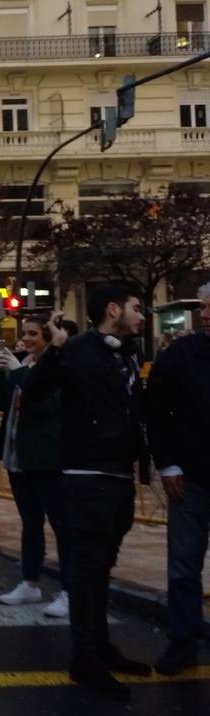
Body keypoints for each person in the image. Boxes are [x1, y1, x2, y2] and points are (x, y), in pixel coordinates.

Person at [21, 285, 151, 701]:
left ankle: (102, 647)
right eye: (136, 308)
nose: (142, 315)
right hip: (87, 475)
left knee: (102, 567)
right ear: (113, 310)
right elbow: (35, 391)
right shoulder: (76, 350)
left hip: (117, 474)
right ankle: (85, 659)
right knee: (86, 568)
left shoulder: (127, 351)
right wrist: (55, 351)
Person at [0, 317, 77, 619]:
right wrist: (1, 374)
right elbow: (1, 402)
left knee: (62, 525)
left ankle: (70, 590)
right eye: (24, 334)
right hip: (19, 456)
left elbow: (44, 405)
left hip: (47, 456)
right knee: (30, 522)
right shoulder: (24, 363)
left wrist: (19, 373)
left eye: (33, 334)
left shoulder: (58, 367)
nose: (26, 339)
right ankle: (30, 582)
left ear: (49, 338)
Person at [148, 282, 210, 675]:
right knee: (184, 566)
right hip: (192, 479)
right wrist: (167, 464)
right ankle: (183, 641)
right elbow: (156, 409)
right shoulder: (180, 354)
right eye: (205, 306)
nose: (205, 314)